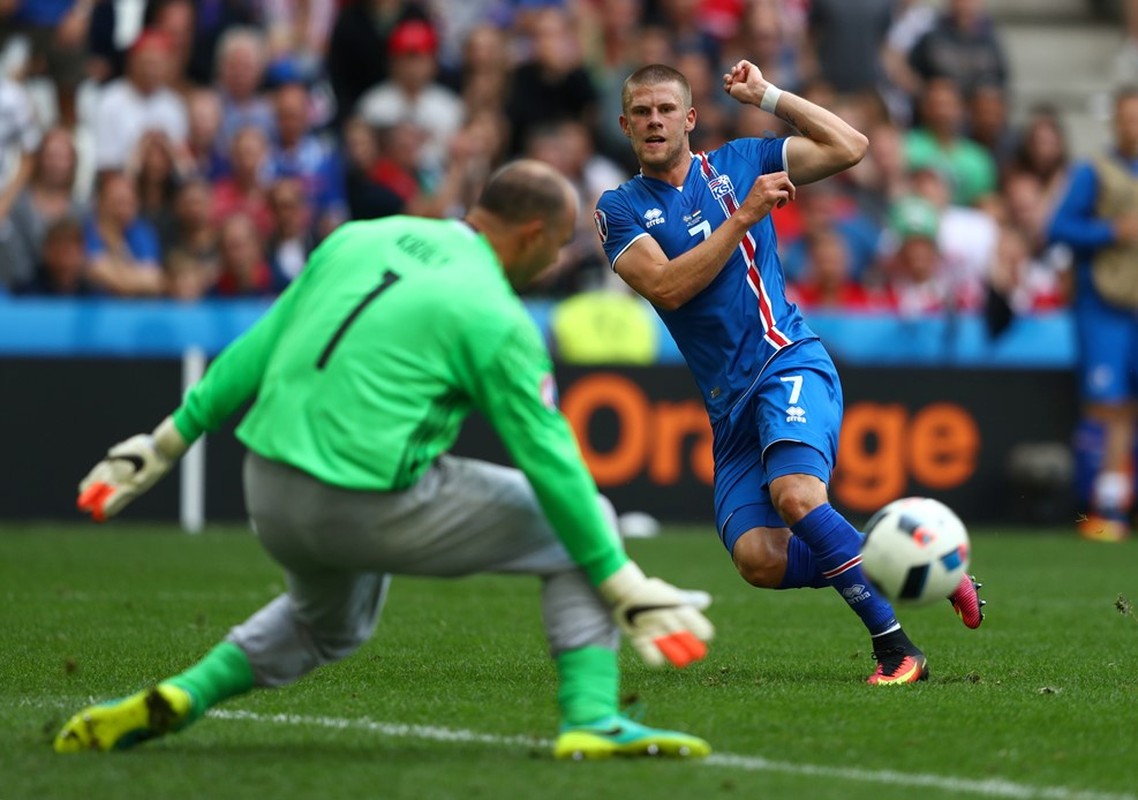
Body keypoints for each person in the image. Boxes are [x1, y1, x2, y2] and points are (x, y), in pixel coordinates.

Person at [53, 159, 715, 760]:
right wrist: (620, 580)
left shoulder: (358, 238)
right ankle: (593, 718)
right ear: (531, 233)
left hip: (268, 488)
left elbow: (263, 341)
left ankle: (182, 696)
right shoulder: (496, 315)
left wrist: (165, 442)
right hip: (362, 499)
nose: (556, 261)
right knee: (586, 518)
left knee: (329, 625)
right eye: (559, 244)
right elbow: (549, 457)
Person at [594, 63, 983, 686]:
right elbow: (667, 287)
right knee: (758, 559)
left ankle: (896, 650)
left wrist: (770, 96)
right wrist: (744, 218)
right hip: (728, 405)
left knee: (798, 498)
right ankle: (918, 563)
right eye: (641, 113)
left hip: (786, 359)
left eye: (667, 109)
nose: (655, 121)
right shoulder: (619, 208)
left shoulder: (739, 162)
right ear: (625, 125)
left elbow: (849, 147)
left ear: (690, 118)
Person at [1047, 87, 1138, 543]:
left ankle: (1116, 500)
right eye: (1126, 118)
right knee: (1104, 403)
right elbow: (1058, 227)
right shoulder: (1093, 171)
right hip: (1103, 302)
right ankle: (1098, 504)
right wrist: (1112, 230)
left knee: (1127, 406)